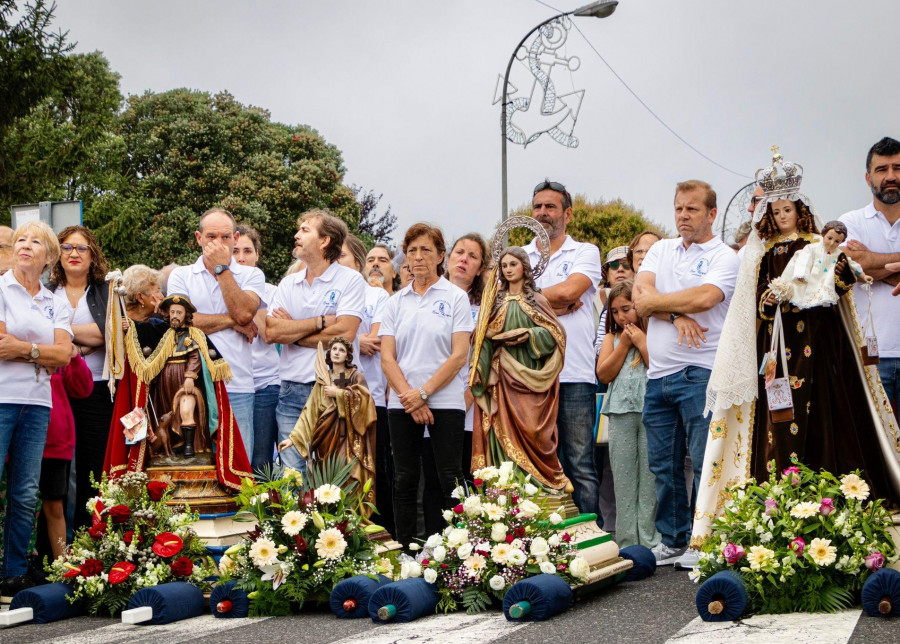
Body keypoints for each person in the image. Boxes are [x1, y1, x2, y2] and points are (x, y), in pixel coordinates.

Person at [697, 152, 900, 555]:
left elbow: (839, 279)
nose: (783, 215)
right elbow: (750, 307)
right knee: (779, 423)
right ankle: (782, 507)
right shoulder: (760, 254)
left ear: (800, 210)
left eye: (788, 209)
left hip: (822, 349)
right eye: (776, 210)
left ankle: (840, 506)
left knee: (830, 415)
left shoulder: (815, 246)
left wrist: (835, 273)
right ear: (768, 216)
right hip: (778, 350)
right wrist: (771, 300)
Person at [632, 179, 740, 567]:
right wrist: (677, 314)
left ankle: (704, 543)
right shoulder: (660, 249)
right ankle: (674, 539)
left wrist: (657, 303)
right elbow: (636, 298)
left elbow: (707, 297)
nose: (682, 215)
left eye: (691, 209)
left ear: (711, 214)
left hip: (701, 372)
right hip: (658, 376)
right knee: (663, 465)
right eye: (678, 208)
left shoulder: (725, 256)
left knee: (703, 459)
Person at [379, 223, 473, 550]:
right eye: (412, 250)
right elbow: (388, 358)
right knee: (404, 480)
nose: (418, 257)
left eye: (426, 250)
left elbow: (459, 355)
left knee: (447, 478)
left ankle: (449, 551)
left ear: (441, 256)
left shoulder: (456, 297)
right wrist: (412, 398)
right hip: (402, 403)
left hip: (444, 401)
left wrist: (423, 393)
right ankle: (407, 550)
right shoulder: (394, 302)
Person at [103, 294, 252, 489]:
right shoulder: (162, 333)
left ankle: (192, 448)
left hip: (186, 383)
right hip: (164, 383)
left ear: (186, 314)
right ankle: (170, 451)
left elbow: (197, 356)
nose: (175, 316)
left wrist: (190, 375)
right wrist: (130, 327)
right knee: (166, 415)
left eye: (179, 312)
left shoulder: (195, 335)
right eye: (172, 312)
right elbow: (145, 331)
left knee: (186, 412)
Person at [0, 221, 72, 601]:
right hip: (2, 397)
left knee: (26, 491)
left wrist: (24, 349)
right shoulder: (0, 288)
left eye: (35, 242)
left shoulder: (54, 300)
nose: (25, 246)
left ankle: (11, 574)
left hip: (38, 402)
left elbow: (64, 355)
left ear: (48, 257)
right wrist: (40, 353)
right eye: (20, 240)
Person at [524, 180, 603, 522]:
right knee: (536, 462)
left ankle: (592, 541)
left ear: (567, 214)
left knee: (580, 463)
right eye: (538, 206)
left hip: (574, 372)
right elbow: (503, 302)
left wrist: (527, 296)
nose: (543, 213)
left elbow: (573, 289)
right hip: (527, 376)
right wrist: (553, 301)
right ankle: (546, 540)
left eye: (550, 207)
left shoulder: (585, 251)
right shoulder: (519, 255)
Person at [266, 210, 365, 473]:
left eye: (305, 230)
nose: (296, 235)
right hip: (290, 389)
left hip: (332, 388)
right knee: (291, 473)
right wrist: (319, 322)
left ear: (325, 241)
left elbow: (344, 336)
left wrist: (294, 334)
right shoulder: (289, 284)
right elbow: (272, 332)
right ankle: (292, 517)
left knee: (331, 471)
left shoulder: (350, 280)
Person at [167, 209, 265, 458]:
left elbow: (244, 313)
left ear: (235, 238)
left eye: (225, 237)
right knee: (196, 463)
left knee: (239, 464)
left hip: (237, 384)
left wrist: (222, 268)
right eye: (211, 237)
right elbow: (181, 323)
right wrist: (232, 322)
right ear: (199, 238)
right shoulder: (181, 275)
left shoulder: (252, 274)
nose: (218, 243)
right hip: (192, 383)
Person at [470, 245, 570, 491]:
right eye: (503, 266)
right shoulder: (494, 302)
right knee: (501, 427)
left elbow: (557, 334)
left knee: (535, 430)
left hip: (531, 374)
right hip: (502, 376)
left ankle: (544, 482)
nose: (508, 270)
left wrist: (529, 334)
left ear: (524, 267)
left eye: (513, 264)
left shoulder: (537, 300)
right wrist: (481, 352)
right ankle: (509, 488)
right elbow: (481, 335)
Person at [421, 233, 488, 534]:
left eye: (472, 256)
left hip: (466, 406)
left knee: (461, 479)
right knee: (431, 479)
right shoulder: (422, 297)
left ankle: (465, 545)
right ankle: (433, 544)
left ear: (480, 267)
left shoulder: (486, 308)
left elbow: (485, 361)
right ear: (446, 258)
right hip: (427, 403)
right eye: (459, 252)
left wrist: (467, 398)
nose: (464, 259)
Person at [48, 225, 113, 533]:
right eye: (67, 247)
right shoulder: (46, 293)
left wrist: (65, 338)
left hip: (98, 390)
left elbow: (112, 331)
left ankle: (90, 539)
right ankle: (54, 547)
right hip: (54, 391)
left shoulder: (106, 291)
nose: (74, 253)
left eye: (81, 248)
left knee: (92, 467)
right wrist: (82, 343)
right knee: (56, 470)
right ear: (57, 254)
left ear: (92, 255)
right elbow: (40, 334)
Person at [278, 337, 377, 514]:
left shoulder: (355, 376)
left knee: (350, 475)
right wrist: (293, 439)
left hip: (349, 437)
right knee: (328, 478)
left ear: (348, 355)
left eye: (341, 350)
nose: (337, 352)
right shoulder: (322, 381)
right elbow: (310, 411)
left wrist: (338, 393)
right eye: (334, 349)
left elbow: (366, 402)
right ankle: (333, 518)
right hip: (326, 438)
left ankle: (354, 517)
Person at [840, 137, 900, 421]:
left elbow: (866, 264)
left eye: (898, 168)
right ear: (868, 177)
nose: (891, 176)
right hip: (870, 357)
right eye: (882, 169)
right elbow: (853, 264)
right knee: (878, 452)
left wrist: (875, 266)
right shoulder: (851, 222)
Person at [596, 280, 659, 549]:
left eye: (627, 309)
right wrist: (624, 345)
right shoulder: (611, 338)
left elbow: (658, 366)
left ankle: (648, 538)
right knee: (622, 478)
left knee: (649, 478)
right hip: (620, 412)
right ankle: (625, 539)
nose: (622, 317)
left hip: (651, 411)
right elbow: (604, 374)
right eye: (616, 312)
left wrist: (641, 341)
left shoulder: (654, 333)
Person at [339, 233, 393, 532]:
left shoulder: (375, 296)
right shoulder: (329, 293)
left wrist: (348, 337)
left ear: (358, 262)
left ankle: (380, 535)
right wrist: (353, 339)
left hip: (371, 397)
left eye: (343, 256)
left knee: (374, 471)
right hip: (333, 398)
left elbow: (376, 341)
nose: (337, 262)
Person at [36, 347, 92, 566]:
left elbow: (82, 388)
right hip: (19, 434)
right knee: (21, 502)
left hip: (57, 440)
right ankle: (16, 567)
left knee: (55, 505)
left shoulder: (57, 346)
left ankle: (60, 567)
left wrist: (74, 354)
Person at [233, 225, 281, 472]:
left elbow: (267, 333)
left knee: (261, 458)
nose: (241, 258)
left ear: (257, 255)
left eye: (247, 251)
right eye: (235, 251)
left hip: (266, 383)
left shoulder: (272, 291)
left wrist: (255, 296)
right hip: (232, 383)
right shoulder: (221, 289)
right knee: (235, 456)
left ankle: (263, 510)